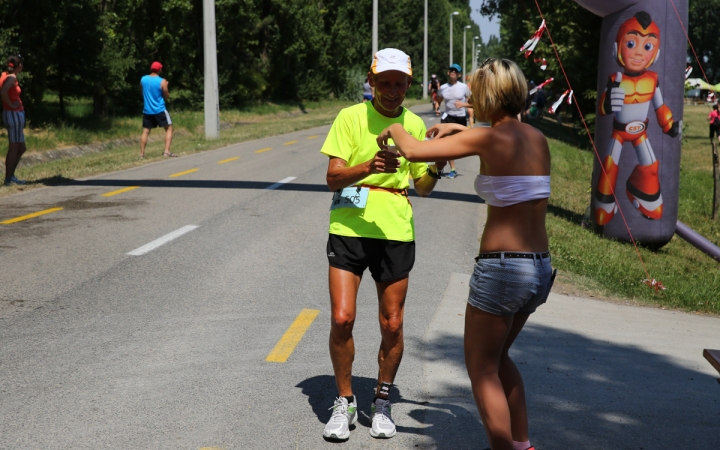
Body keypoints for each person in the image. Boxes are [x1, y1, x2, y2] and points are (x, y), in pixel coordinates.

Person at [377, 58, 555, 450]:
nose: (471, 97)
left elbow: (414, 150)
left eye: (476, 91)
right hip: (539, 269)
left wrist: (391, 125)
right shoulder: (536, 138)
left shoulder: (486, 140)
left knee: (481, 368)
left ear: (490, 95)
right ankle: (523, 445)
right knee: (501, 359)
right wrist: (459, 128)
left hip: (503, 270)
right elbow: (493, 140)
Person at [320, 48, 444, 441]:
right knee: (342, 318)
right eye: (384, 83)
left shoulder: (414, 124)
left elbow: (422, 188)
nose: (392, 91)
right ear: (371, 81)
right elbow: (333, 178)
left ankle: (383, 400)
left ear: (410, 84)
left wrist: (437, 165)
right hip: (349, 226)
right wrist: (368, 167)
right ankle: (344, 401)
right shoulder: (350, 118)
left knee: (392, 324)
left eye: (400, 84)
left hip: (395, 231)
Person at [437, 63, 471, 178]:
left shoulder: (464, 87)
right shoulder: (443, 88)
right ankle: (452, 169)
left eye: (456, 71)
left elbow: (473, 103)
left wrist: (463, 104)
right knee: (446, 143)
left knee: (460, 145)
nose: (453, 72)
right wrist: (437, 107)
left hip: (460, 118)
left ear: (459, 74)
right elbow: (439, 100)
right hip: (447, 117)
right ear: (448, 72)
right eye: (451, 70)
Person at [140, 61, 175, 158]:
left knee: (146, 131)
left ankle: (142, 154)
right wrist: (166, 85)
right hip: (159, 109)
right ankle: (166, 151)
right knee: (169, 128)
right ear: (159, 70)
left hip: (147, 110)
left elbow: (141, 91)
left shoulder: (143, 79)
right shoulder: (162, 81)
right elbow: (166, 96)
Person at [1, 55, 27, 186]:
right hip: (13, 114)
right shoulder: (12, 77)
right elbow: (3, 92)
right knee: (14, 147)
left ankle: (11, 175)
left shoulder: (5, 75)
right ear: (19, 66)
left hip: (13, 114)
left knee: (21, 147)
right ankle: (9, 177)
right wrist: (11, 105)